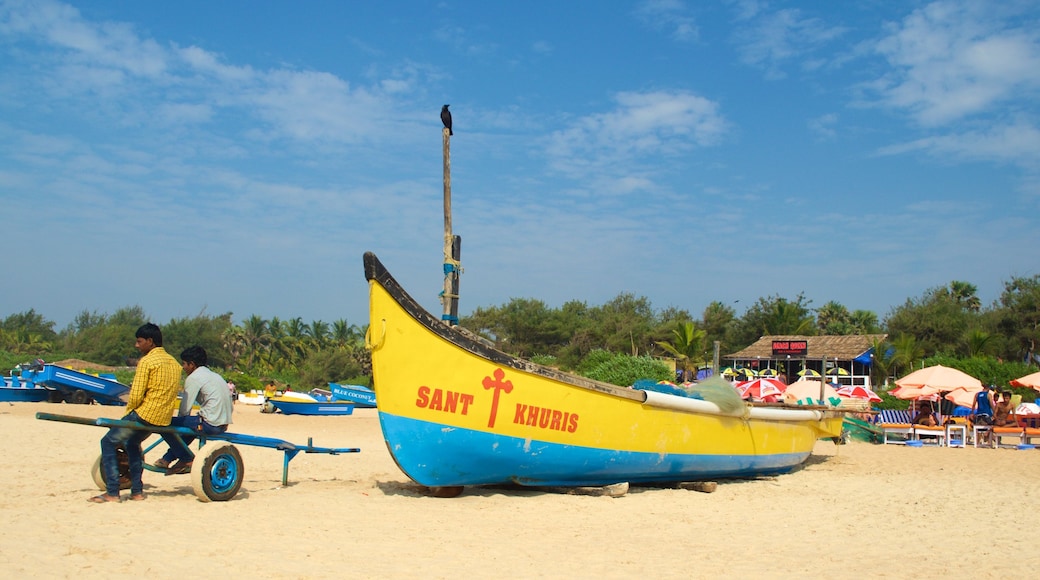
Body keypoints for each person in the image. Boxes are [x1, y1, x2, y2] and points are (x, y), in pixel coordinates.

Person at [91, 323, 181, 503]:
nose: (137, 345)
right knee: (132, 443)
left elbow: (137, 394)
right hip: (163, 418)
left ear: (150, 341)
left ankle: (113, 492)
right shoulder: (175, 363)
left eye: (139, 342)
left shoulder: (146, 362)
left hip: (145, 414)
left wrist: (128, 414)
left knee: (108, 442)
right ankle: (137, 491)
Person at [155, 346, 234, 475]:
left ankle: (186, 459)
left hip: (209, 424)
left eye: (184, 364)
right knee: (190, 427)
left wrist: (178, 422)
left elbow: (185, 410)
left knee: (162, 423)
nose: (183, 367)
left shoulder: (194, 378)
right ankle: (167, 459)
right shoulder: (215, 376)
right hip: (223, 424)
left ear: (192, 364)